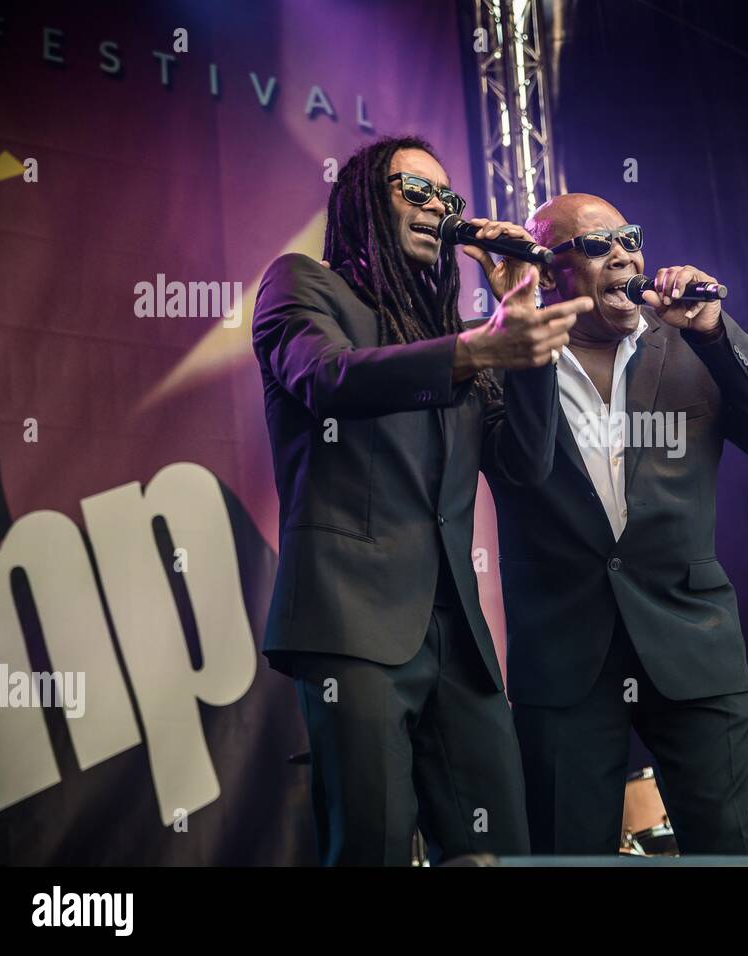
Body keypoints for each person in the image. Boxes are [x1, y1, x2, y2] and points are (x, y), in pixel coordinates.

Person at [251, 136, 590, 865]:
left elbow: (524, 467)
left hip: (457, 633)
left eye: (448, 198)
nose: (438, 208)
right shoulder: (301, 286)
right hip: (353, 620)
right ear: (367, 199)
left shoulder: (463, 335)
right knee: (371, 841)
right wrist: (480, 350)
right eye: (416, 191)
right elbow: (330, 380)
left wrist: (521, 340)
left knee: (499, 846)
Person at [486, 192, 748, 854]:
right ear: (549, 272)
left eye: (630, 239)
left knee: (726, 848)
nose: (624, 254)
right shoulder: (498, 361)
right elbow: (518, 469)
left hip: (692, 640)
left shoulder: (693, 343)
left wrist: (716, 332)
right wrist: (524, 353)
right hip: (563, 655)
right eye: (599, 244)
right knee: (568, 855)